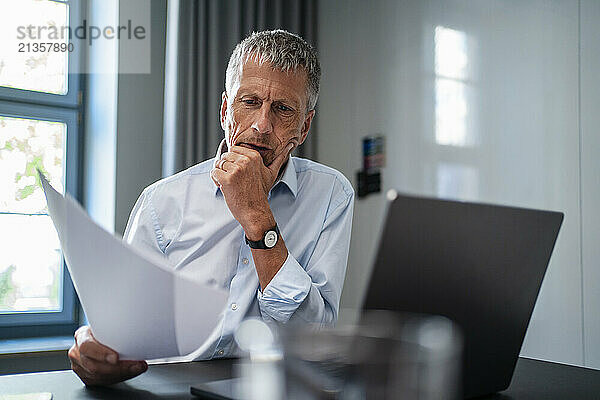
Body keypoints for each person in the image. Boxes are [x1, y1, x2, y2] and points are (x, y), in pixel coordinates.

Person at [68, 29, 354, 386]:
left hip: (270, 389)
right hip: (167, 387)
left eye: (282, 109)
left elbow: (314, 337)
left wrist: (257, 216)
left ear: (304, 125)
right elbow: (120, 328)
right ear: (224, 109)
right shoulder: (161, 202)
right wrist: (99, 350)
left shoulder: (331, 194)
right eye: (249, 102)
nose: (262, 125)